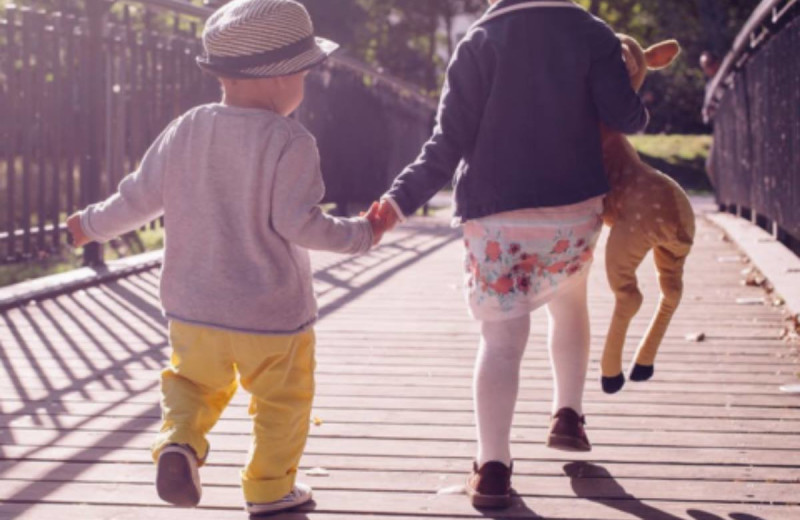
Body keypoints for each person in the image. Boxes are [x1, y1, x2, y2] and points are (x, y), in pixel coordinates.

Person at [65, 0, 382, 514]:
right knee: (281, 403)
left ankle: (179, 444)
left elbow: (138, 199)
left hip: (193, 308)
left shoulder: (186, 128)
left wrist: (89, 224)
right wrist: (363, 234)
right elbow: (299, 224)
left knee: (190, 385)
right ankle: (269, 488)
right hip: (273, 317)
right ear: (282, 79)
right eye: (304, 73)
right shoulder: (290, 140)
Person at [372, 0, 648, 509]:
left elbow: (447, 143)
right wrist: (632, 77)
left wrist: (396, 203)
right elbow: (627, 118)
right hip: (573, 212)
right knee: (570, 304)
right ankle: (567, 413)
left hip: (498, 220)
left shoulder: (478, 42)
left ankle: (493, 466)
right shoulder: (593, 34)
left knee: (501, 342)